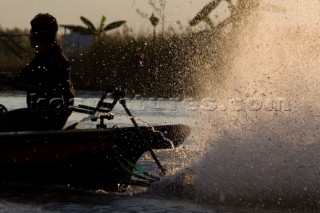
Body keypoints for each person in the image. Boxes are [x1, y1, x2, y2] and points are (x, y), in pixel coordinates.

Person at [0, 13, 74, 132]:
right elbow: (24, 77)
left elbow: (31, 79)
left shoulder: (57, 62)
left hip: (47, 119)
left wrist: (12, 81)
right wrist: (8, 79)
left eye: (31, 33)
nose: (29, 37)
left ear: (39, 36)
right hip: (39, 115)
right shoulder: (42, 58)